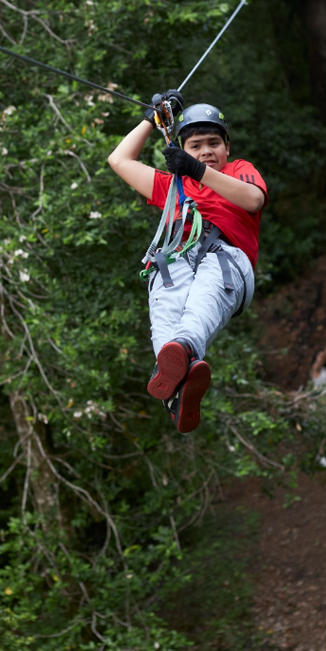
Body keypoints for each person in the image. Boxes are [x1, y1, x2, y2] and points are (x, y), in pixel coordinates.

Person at [108, 92, 267, 433]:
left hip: (226, 257)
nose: (206, 151)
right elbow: (119, 160)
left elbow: (253, 200)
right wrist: (153, 120)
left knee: (203, 297)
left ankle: (185, 349)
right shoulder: (172, 186)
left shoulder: (240, 170)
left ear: (227, 147)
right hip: (177, 256)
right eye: (195, 145)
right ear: (182, 148)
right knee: (166, 303)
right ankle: (177, 392)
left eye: (214, 143)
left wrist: (196, 169)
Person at [309, 324, 326, 396]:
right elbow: (325, 355)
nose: (322, 357)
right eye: (320, 356)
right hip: (322, 400)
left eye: (322, 356)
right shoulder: (315, 369)